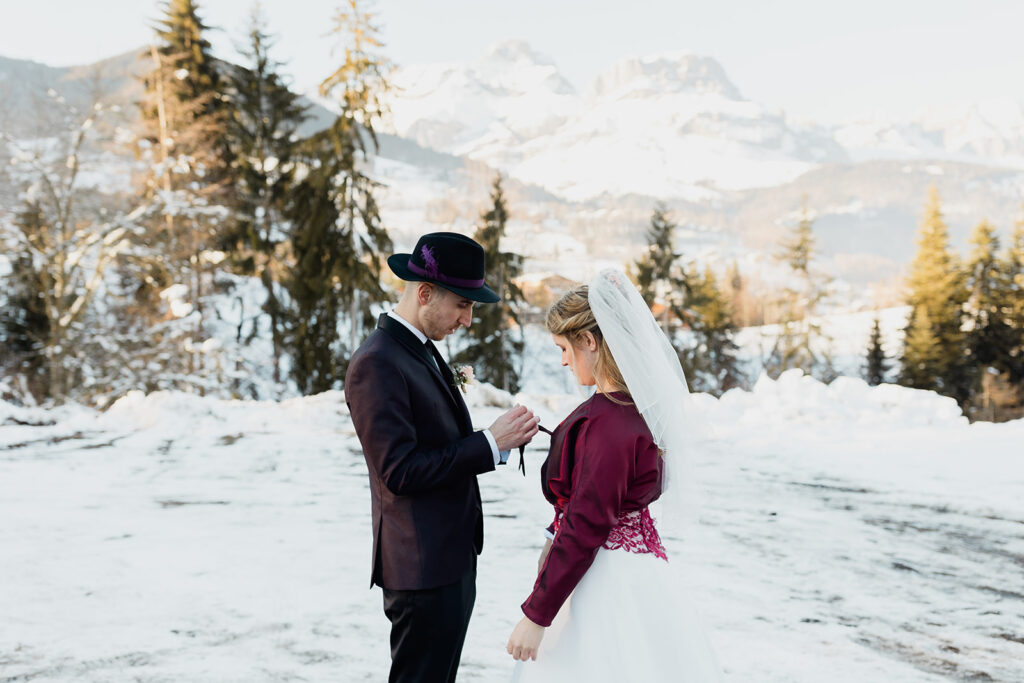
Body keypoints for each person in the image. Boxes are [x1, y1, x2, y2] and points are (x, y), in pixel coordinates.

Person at [506, 270, 723, 682]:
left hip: (604, 578)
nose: (563, 360)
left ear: (589, 341)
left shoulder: (609, 422)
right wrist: (553, 535)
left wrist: (536, 616)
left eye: (564, 348)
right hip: (635, 572)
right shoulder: (634, 410)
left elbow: (587, 521)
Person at [346, 232, 540, 683]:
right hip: (420, 569)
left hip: (447, 560)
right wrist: (488, 443)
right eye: (463, 305)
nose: (468, 320)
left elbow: (433, 441)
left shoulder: (419, 349)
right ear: (425, 293)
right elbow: (400, 471)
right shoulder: (377, 362)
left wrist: (499, 443)